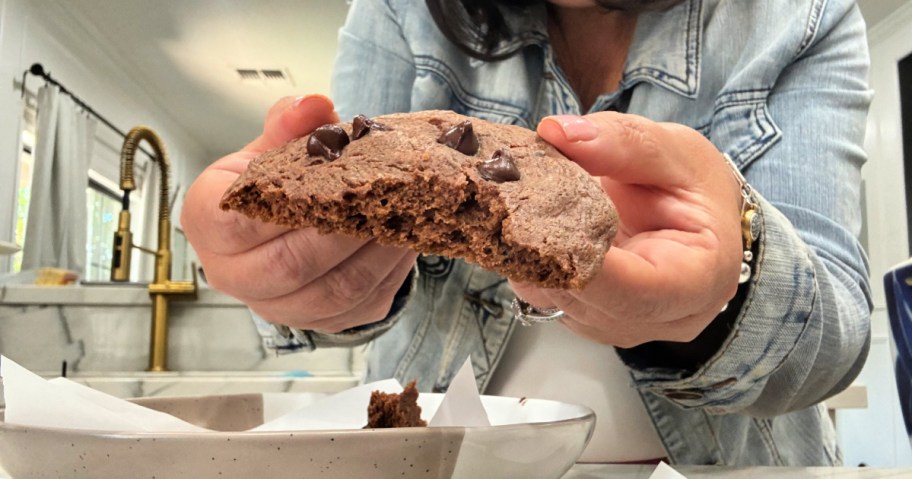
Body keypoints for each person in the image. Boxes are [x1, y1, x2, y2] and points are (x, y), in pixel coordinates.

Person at [181, 0, 873, 466]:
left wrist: (737, 276)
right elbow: (347, 201)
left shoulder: (802, 17)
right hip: (438, 463)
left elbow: (837, 341)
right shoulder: (402, 11)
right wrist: (291, 268)